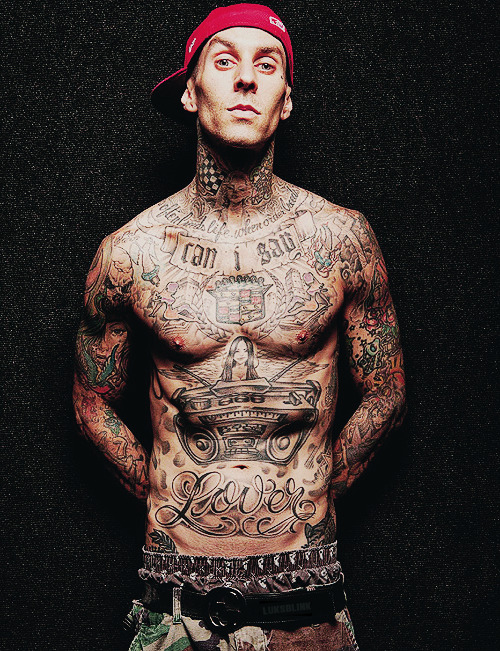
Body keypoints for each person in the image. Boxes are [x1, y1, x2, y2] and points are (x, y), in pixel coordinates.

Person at [73, 4, 406, 649]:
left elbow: (387, 392)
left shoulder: (342, 241)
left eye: (267, 64)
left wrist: (312, 494)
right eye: (224, 61)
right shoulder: (131, 253)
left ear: (287, 102)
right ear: (190, 93)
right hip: (174, 594)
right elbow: (92, 403)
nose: (246, 78)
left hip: (307, 591)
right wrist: (169, 499)